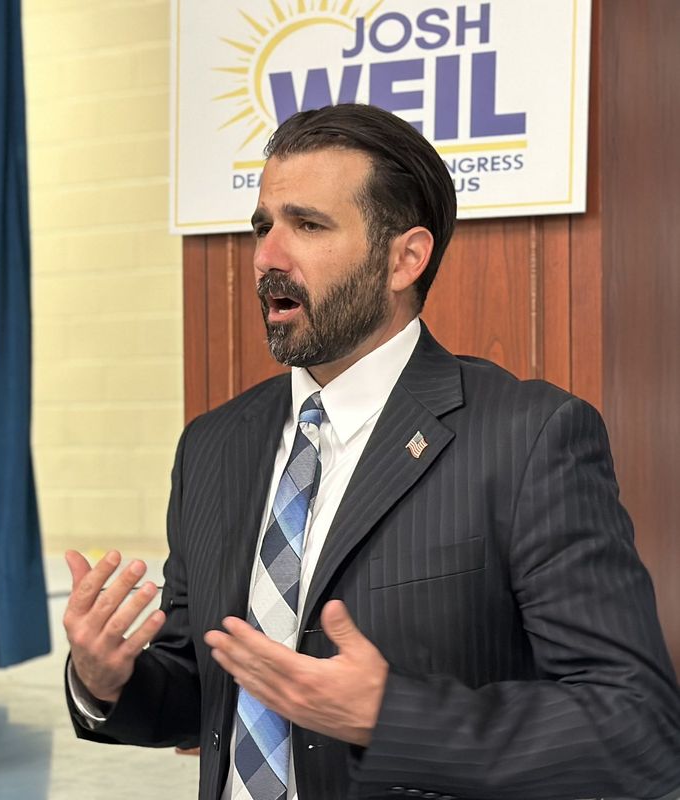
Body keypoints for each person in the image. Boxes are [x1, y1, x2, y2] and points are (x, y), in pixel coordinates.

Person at [64, 103, 680, 800]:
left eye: (308, 225)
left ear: (404, 258)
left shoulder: (529, 437)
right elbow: (203, 690)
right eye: (263, 226)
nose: (266, 256)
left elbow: (639, 730)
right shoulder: (213, 445)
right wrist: (105, 679)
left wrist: (390, 716)